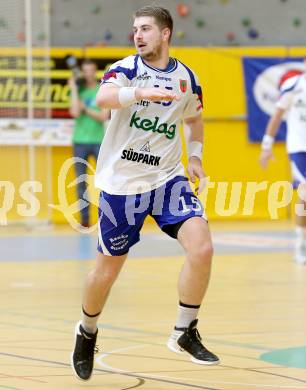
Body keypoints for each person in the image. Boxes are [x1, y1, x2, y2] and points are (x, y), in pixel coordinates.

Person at [71, 6, 219, 381]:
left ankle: (185, 330)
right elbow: (102, 100)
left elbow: (195, 118)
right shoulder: (126, 69)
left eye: (146, 29)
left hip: (168, 179)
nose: (138, 35)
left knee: (202, 247)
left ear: (165, 33)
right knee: (107, 271)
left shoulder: (187, 78)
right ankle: (87, 331)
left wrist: (196, 158)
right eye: (135, 29)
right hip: (123, 185)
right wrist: (138, 92)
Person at [259, 64, 306, 264]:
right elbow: (277, 116)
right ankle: (301, 244)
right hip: (299, 148)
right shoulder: (294, 85)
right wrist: (266, 146)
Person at [68, 59, 110, 228]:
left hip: (99, 141)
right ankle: (85, 219)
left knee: (105, 181)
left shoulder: (102, 90)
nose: (88, 74)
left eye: (91, 70)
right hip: (79, 142)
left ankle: (107, 216)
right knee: (81, 182)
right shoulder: (79, 91)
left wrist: (85, 108)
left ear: (95, 71)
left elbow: (103, 116)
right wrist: (73, 89)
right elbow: (74, 112)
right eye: (85, 71)